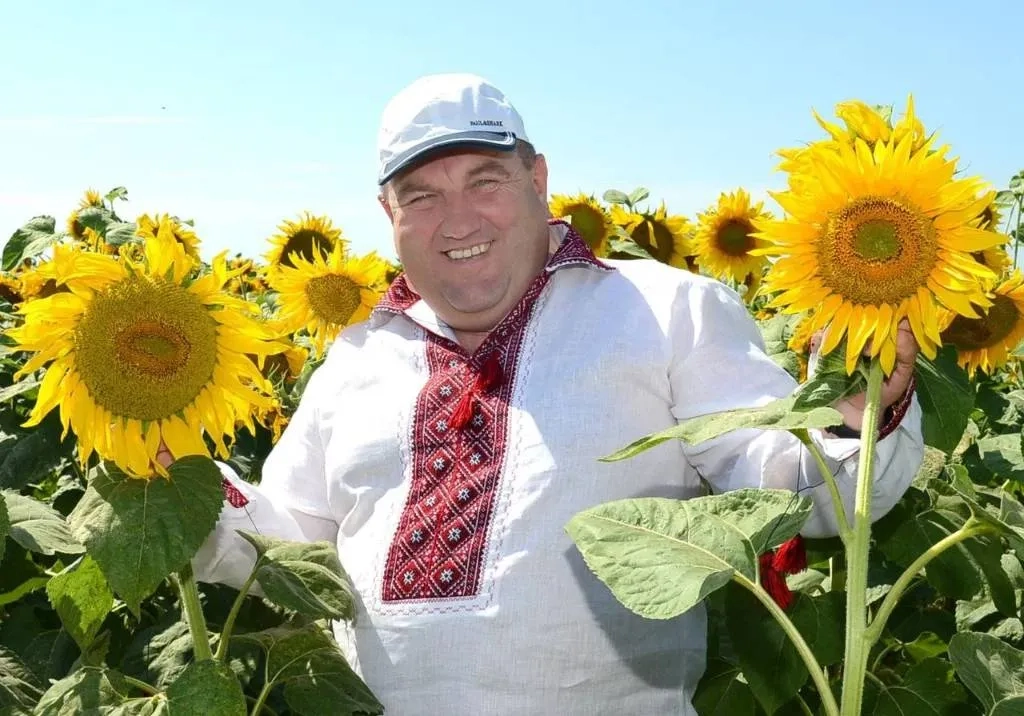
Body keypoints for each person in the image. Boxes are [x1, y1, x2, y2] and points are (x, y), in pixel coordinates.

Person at [191, 73, 924, 714]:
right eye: (422, 195)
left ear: (538, 180)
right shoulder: (356, 356)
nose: (458, 219)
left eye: (485, 180)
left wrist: (857, 416)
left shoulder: (665, 311)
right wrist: (180, 484)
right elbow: (287, 549)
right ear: (391, 216)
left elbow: (797, 493)